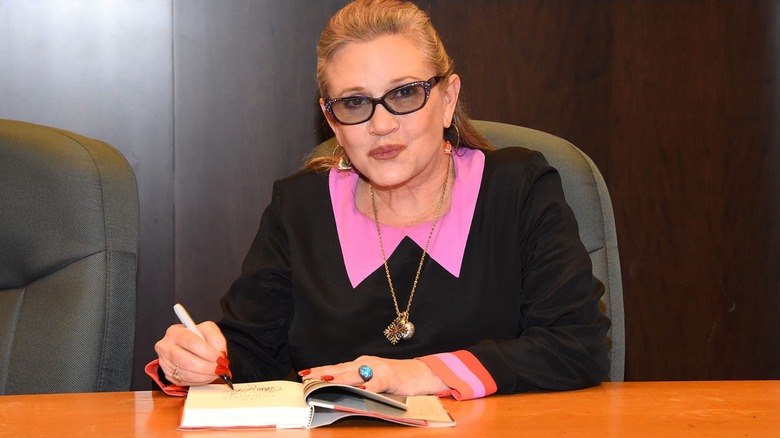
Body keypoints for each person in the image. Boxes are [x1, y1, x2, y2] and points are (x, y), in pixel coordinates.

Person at [149, 0, 609, 400]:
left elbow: (576, 345)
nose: (381, 125)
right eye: (354, 103)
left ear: (448, 100)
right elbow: (250, 355)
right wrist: (196, 362)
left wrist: (419, 373)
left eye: (405, 93)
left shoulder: (517, 187)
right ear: (332, 121)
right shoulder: (300, 208)